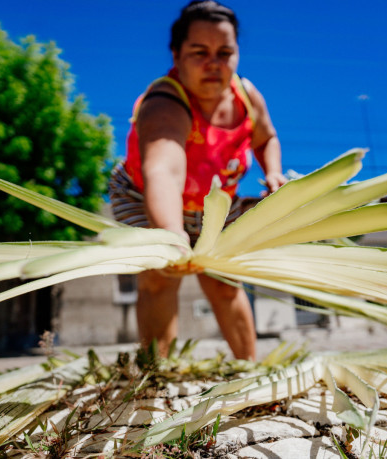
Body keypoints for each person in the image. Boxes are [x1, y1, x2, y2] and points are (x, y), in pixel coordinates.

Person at [108, 0, 286, 360]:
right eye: (199, 52)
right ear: (176, 54)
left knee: (223, 280)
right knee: (161, 274)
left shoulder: (247, 97)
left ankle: (248, 369)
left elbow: (266, 137)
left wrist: (273, 172)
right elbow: (164, 172)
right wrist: (171, 236)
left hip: (212, 203)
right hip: (146, 195)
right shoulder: (164, 102)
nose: (213, 64)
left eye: (225, 52)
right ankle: (157, 372)